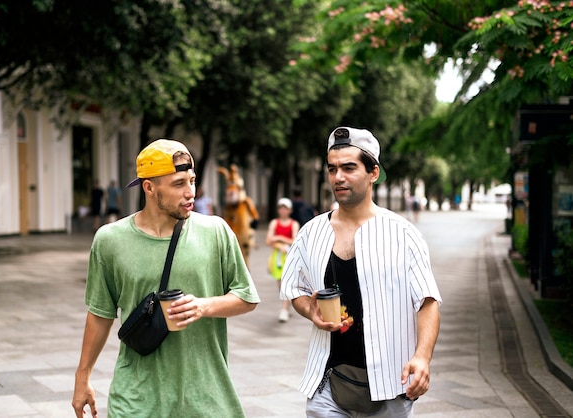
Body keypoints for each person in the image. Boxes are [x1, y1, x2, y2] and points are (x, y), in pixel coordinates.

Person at [72, 139, 261, 418]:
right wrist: (82, 376)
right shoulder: (110, 240)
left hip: (205, 398)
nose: (190, 193)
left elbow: (246, 297)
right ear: (149, 187)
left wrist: (203, 306)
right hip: (136, 400)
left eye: (192, 181)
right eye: (178, 184)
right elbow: (100, 314)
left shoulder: (216, 231)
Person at [280, 126, 441, 418]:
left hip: (391, 383)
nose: (338, 177)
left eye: (349, 168)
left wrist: (422, 357)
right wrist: (309, 310)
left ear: (373, 173)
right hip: (326, 382)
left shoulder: (403, 234)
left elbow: (428, 301)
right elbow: (295, 290)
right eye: (332, 169)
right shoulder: (310, 233)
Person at [266, 197, 300, 322]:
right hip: (277, 256)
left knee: (287, 282)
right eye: (281, 208)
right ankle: (287, 304)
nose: (283, 210)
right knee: (280, 283)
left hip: (289, 256)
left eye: (285, 208)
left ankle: (284, 309)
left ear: (290, 210)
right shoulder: (274, 223)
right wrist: (278, 243)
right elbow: (268, 240)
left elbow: (294, 240)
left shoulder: (294, 224)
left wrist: (279, 237)